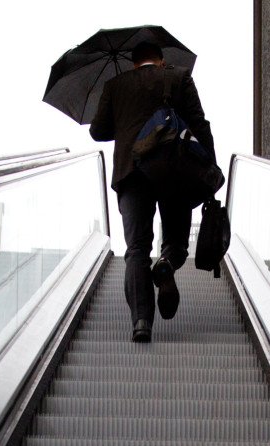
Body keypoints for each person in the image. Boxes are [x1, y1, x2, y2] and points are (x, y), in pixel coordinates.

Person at [89, 41, 214, 341]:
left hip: (131, 172)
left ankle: (142, 322)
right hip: (175, 167)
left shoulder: (115, 85)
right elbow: (199, 122)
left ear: (133, 63)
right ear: (160, 60)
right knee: (177, 242)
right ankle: (167, 264)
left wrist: (123, 114)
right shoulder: (179, 76)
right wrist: (210, 168)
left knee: (136, 248)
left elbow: (98, 131)